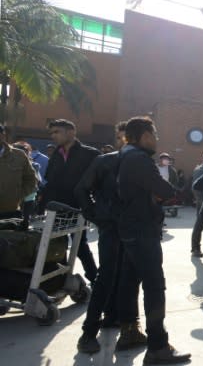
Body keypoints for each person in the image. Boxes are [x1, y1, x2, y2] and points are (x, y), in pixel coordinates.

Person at [117, 116, 190, 365]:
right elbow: (166, 190)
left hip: (128, 228)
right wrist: (159, 194)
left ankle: (129, 332)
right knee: (154, 286)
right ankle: (157, 346)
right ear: (143, 136)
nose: (156, 140)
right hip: (142, 230)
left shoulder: (122, 156)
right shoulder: (139, 159)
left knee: (129, 281)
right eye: (154, 134)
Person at [74, 122, 143, 354]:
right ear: (118, 139)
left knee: (130, 279)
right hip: (111, 229)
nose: (128, 142)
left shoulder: (142, 163)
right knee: (106, 278)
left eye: (132, 138)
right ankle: (88, 333)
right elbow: (82, 189)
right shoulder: (104, 161)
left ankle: (124, 325)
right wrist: (95, 216)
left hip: (133, 230)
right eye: (124, 138)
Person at [40, 119, 101, 282]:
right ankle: (61, 278)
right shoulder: (55, 155)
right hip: (56, 210)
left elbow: (99, 183)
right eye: (52, 133)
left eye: (57, 132)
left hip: (79, 209)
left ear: (71, 132)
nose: (53, 136)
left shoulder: (91, 154)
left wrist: (92, 206)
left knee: (79, 246)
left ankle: (94, 278)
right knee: (56, 246)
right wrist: (43, 204)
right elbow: (50, 181)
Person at [0, 126, 37, 219]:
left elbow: (31, 180)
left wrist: (17, 196)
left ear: (2, 135)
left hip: (9, 212)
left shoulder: (19, 155)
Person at [11, 141, 42, 223]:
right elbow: (39, 180)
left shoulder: (34, 165)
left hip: (25, 191)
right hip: (24, 192)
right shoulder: (34, 165)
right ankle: (25, 221)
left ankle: (24, 221)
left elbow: (37, 180)